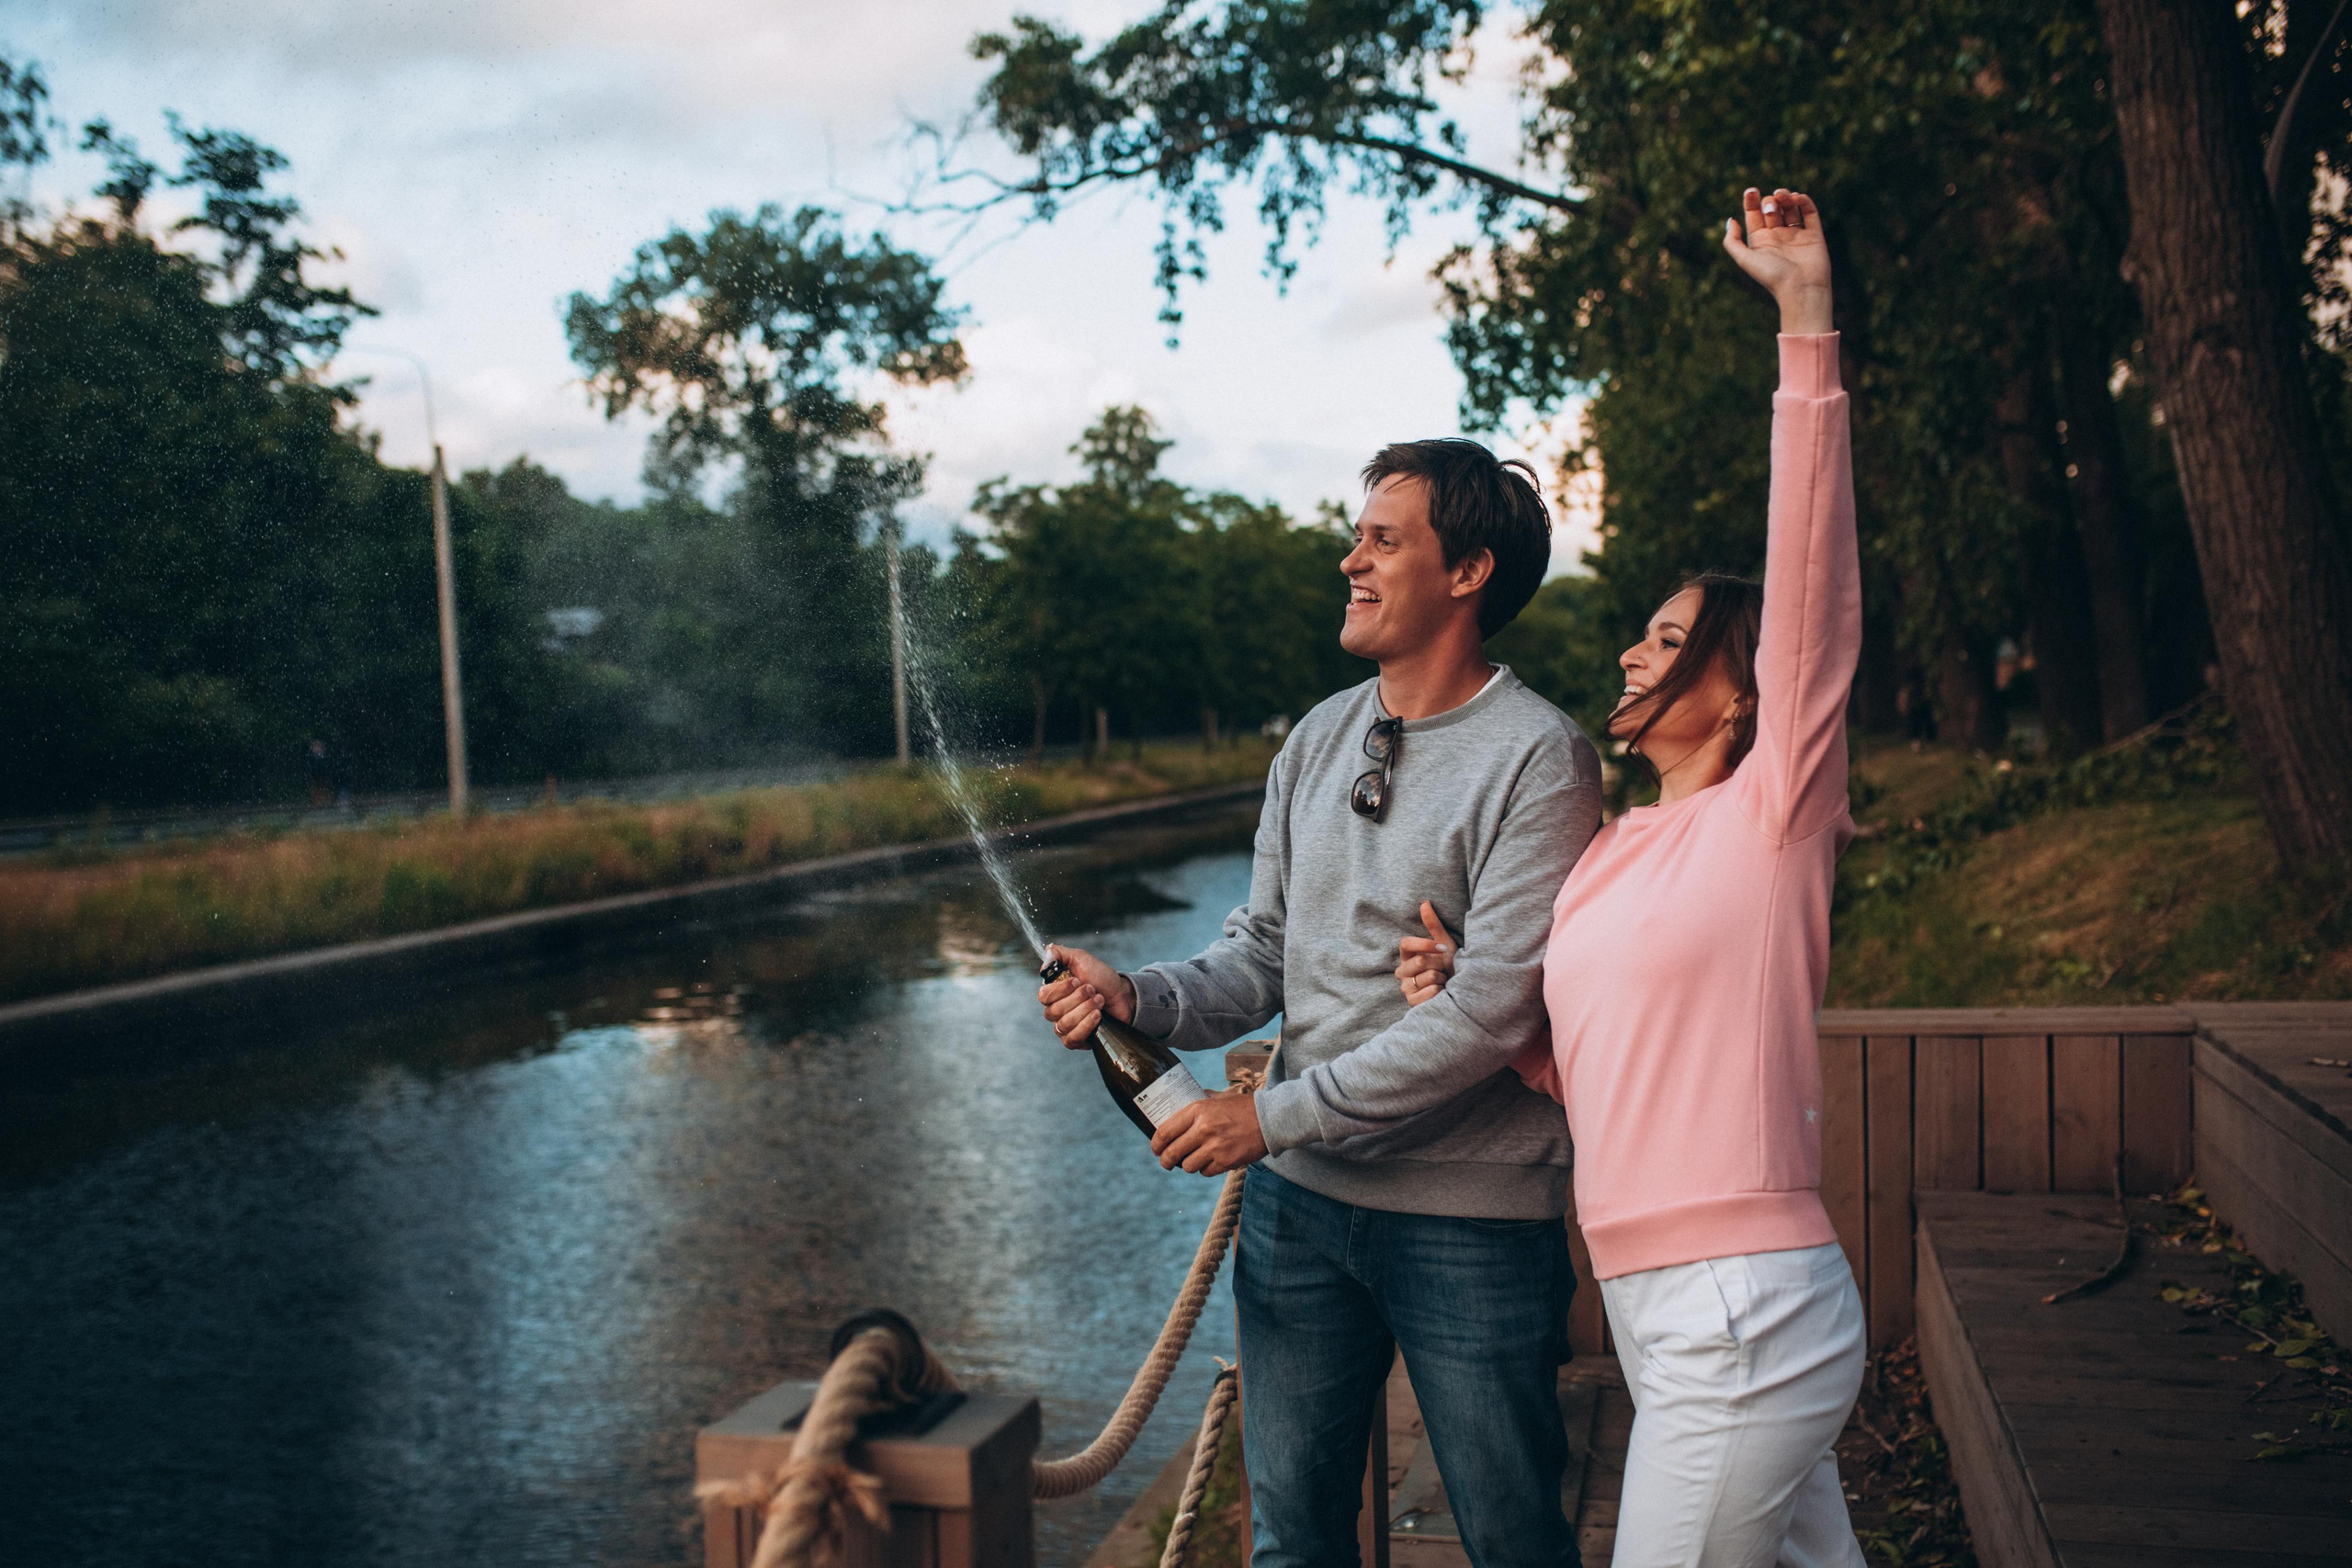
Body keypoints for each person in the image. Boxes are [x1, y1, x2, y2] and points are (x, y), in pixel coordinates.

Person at [1398, 186, 1867, 1567]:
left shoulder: (1776, 813)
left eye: (1671, 642)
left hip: (1744, 1307)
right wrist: (1472, 1001)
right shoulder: (1608, 849)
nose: (1631, 655)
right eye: (1640, 636)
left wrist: (1804, 324)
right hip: (1663, 1304)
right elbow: (1595, 1060)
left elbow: (1814, 586)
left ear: (1742, 692)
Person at [1038, 440, 1603, 1568]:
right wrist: (1135, 993)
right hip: (1302, 1212)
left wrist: (1270, 1119)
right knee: (1293, 1544)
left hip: (1471, 1222)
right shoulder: (1314, 737)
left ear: (1468, 572)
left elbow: (1492, 1012)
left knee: (1510, 1540)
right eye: (1359, 536)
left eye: (1383, 541)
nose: (1350, 560)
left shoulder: (1542, 758)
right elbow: (1260, 956)